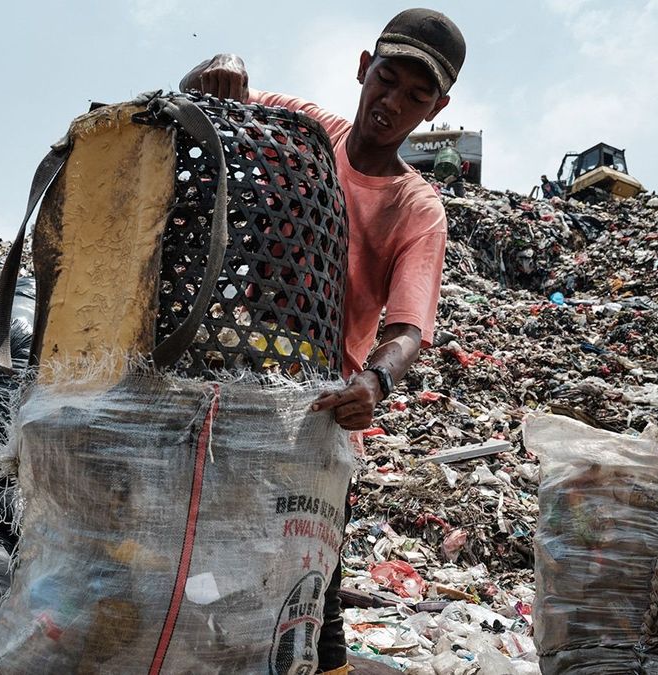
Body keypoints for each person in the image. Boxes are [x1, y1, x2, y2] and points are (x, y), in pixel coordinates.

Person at [181, 8, 465, 674]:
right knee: (208, 562)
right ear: (364, 68)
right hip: (238, 388)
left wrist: (374, 381)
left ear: (437, 108)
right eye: (386, 81)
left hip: (318, 419)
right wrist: (223, 65)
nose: (391, 104)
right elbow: (201, 95)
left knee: (313, 594)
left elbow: (406, 328)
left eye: (415, 97)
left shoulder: (416, 209)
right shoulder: (304, 133)